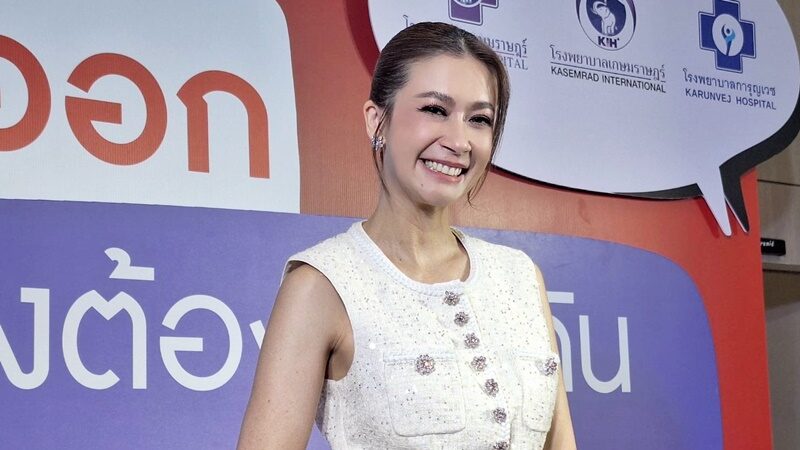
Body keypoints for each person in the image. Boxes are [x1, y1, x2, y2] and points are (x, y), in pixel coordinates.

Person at [238, 22, 576, 450]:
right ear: (377, 120)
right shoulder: (322, 285)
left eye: (479, 119)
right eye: (435, 110)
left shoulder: (520, 277)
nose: (459, 141)